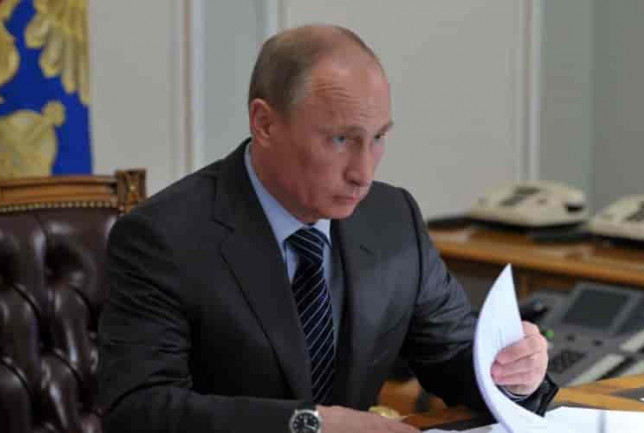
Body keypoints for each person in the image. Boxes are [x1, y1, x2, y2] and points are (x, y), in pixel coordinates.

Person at [97, 24, 557, 433]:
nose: (364, 173)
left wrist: (515, 374)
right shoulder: (163, 237)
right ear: (265, 123)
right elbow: (139, 410)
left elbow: (454, 358)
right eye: (341, 139)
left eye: (378, 138)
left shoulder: (391, 217)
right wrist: (309, 424)